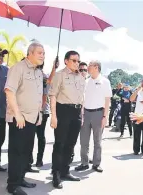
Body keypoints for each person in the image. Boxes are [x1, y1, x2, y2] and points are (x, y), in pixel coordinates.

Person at [5, 42, 45, 195]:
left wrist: (39, 114)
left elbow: (37, 95)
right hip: (19, 118)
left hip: (33, 118)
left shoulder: (39, 72)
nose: (42, 55)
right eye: (39, 52)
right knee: (16, 151)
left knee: (26, 151)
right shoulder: (18, 68)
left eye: (43, 53)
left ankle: (20, 178)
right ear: (30, 53)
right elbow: (9, 91)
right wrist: (17, 114)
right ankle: (12, 185)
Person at [49, 51, 85, 189]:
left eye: (78, 61)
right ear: (66, 61)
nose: (77, 63)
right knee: (60, 144)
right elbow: (52, 95)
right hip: (63, 110)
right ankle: (56, 174)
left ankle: (65, 171)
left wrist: (81, 115)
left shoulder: (81, 77)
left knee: (71, 144)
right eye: (74, 60)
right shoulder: (59, 75)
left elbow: (81, 98)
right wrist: (53, 115)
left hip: (76, 113)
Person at [75, 60, 112, 173]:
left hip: (99, 113)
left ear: (96, 67)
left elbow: (107, 100)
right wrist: (81, 113)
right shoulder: (86, 81)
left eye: (90, 66)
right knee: (84, 140)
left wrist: (105, 116)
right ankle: (84, 162)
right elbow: (82, 98)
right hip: (86, 113)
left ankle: (96, 164)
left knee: (97, 141)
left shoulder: (105, 81)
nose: (88, 68)